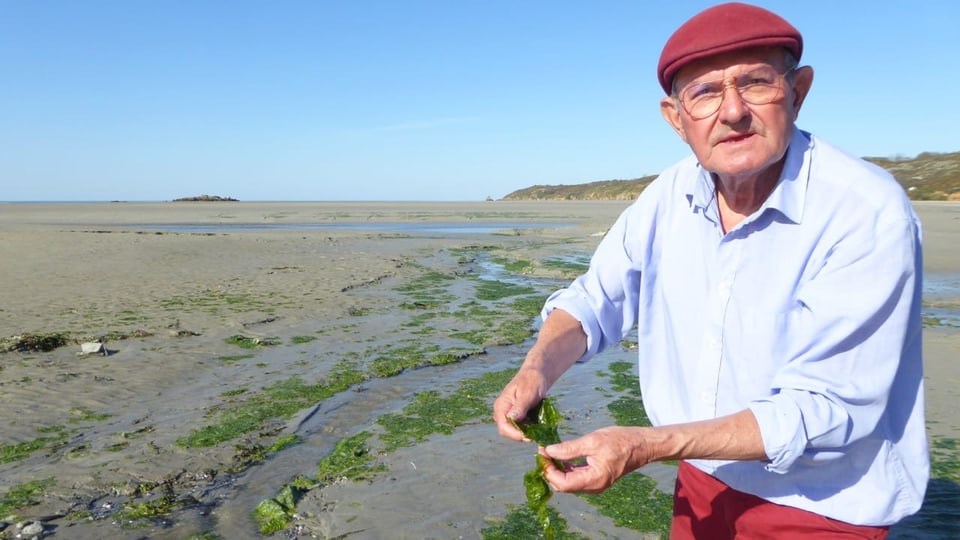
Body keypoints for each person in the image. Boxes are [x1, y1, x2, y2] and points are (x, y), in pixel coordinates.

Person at [493, 2, 928, 538]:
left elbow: (826, 406)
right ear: (676, 119)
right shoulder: (667, 196)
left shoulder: (864, 210)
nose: (733, 111)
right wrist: (537, 369)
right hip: (701, 480)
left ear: (799, 91)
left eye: (755, 83)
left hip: (822, 506)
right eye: (704, 93)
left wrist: (647, 444)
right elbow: (593, 300)